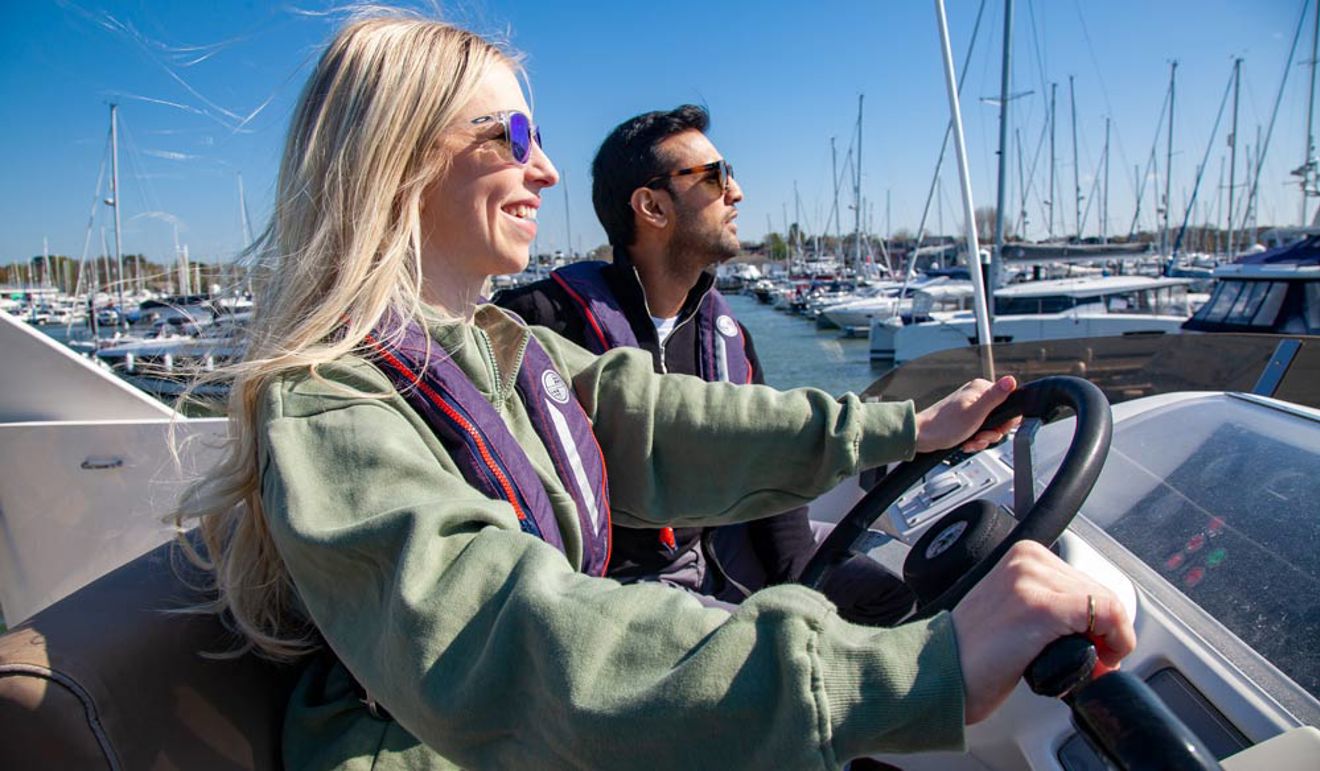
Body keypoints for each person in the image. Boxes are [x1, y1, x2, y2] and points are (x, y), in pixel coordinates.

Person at [177, 12, 1135, 770]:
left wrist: (907, 429)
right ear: (399, 154)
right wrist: (922, 668)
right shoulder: (331, 403)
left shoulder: (498, 347)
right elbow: (510, 642)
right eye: (511, 134)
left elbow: (665, 423)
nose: (544, 167)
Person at [495, 105, 914, 624]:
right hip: (622, 585)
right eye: (715, 178)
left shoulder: (729, 336)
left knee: (901, 591)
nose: (736, 193)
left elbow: (764, 454)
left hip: (725, 549)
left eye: (730, 175)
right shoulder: (541, 323)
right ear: (651, 207)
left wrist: (798, 579)